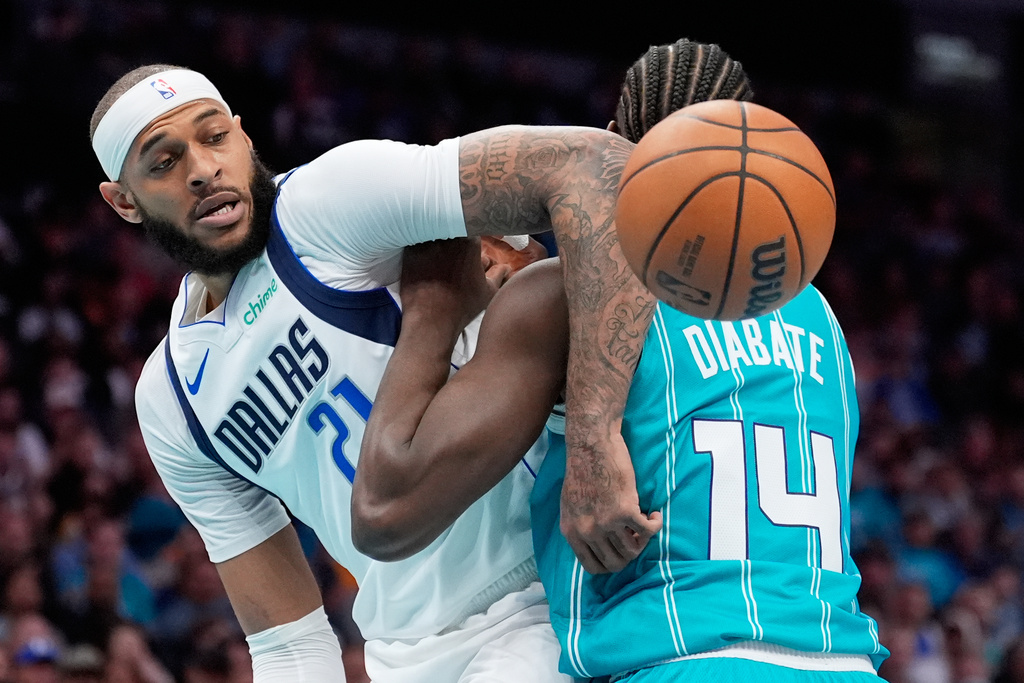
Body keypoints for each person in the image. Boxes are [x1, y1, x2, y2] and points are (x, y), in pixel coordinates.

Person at [89, 62, 649, 682]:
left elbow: (592, 164)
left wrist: (597, 439)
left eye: (214, 136)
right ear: (123, 200)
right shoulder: (170, 400)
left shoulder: (331, 201)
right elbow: (288, 645)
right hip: (401, 653)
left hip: (542, 592)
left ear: (244, 138)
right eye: (163, 163)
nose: (201, 169)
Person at [354, 37, 889, 682]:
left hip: (680, 659)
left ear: (607, 143)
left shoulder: (560, 298)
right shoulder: (821, 317)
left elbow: (386, 514)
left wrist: (433, 307)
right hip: (844, 660)